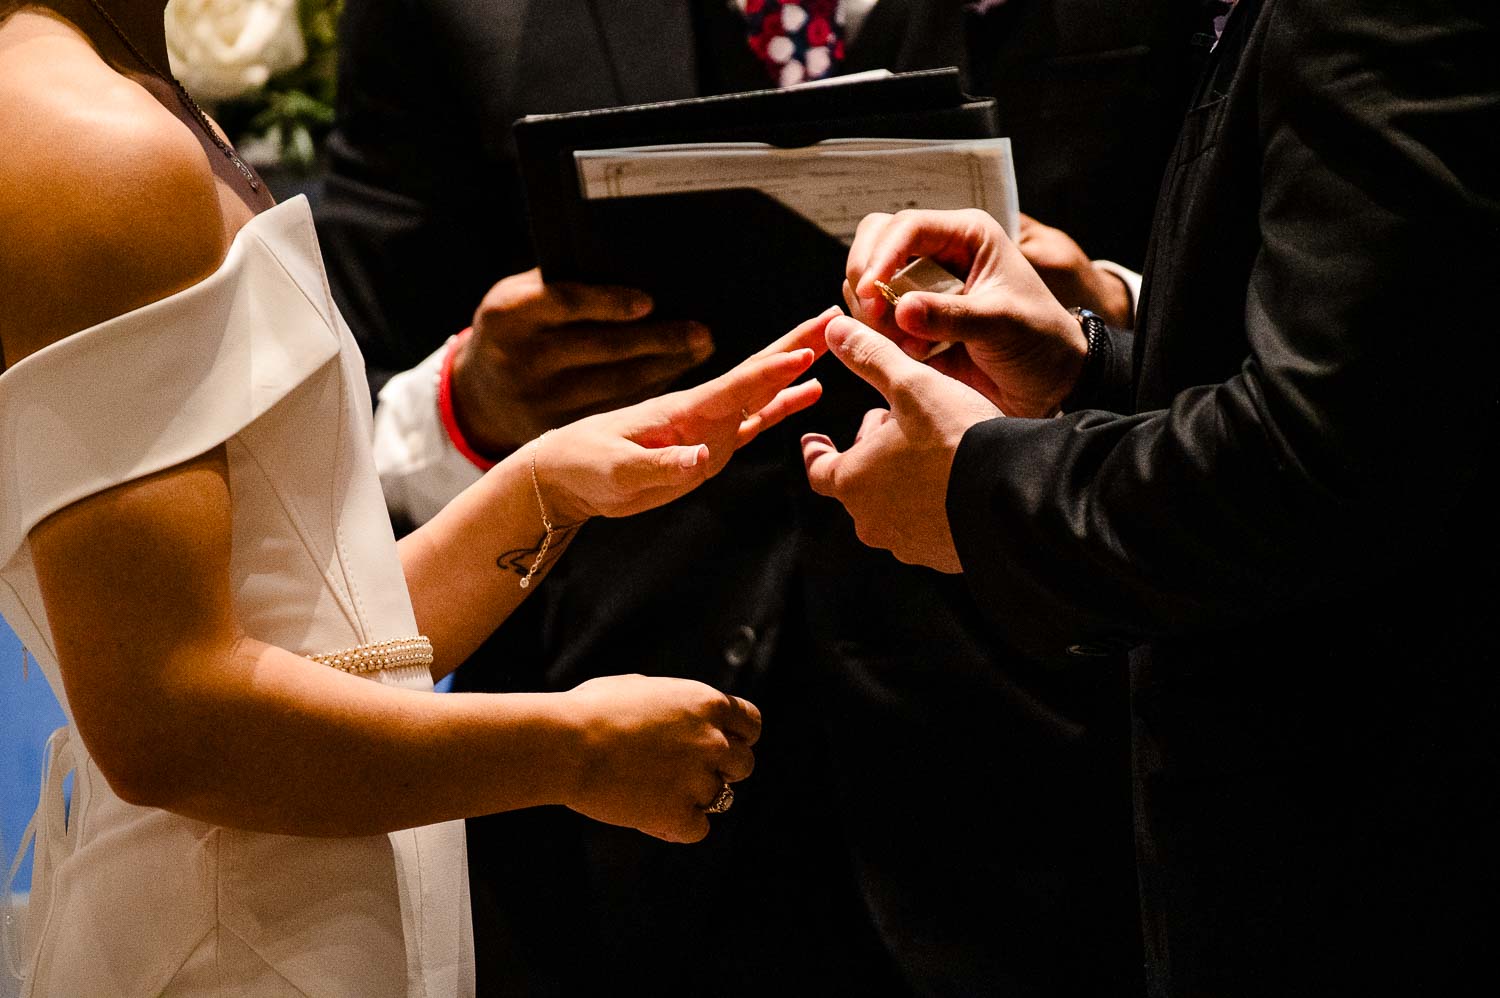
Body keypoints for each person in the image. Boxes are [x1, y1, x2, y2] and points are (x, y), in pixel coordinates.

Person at [317, 0, 1202, 993]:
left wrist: (1108, 319)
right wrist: (467, 403)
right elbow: (329, 392)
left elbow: (1290, 339)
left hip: (1048, 768)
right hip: (598, 790)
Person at [0, 2, 834, 994]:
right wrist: (571, 748)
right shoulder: (95, 143)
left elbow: (303, 630)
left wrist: (542, 486)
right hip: (232, 930)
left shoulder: (139, 103)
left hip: (290, 886)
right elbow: (169, 719)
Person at [803, 1, 1500, 994]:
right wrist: (1082, 371)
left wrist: (980, 490)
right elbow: (1408, 390)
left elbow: (1323, 460)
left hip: (1391, 844)